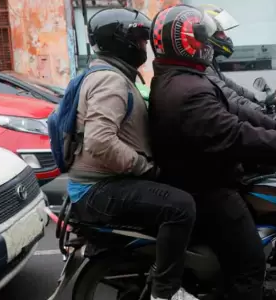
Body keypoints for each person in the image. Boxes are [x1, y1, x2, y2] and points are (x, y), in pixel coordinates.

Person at [148, 5, 276, 300]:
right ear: (190, 41)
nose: (208, 42)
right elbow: (237, 135)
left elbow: (238, 109)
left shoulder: (184, 78)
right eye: (204, 36)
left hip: (202, 173)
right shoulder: (188, 91)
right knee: (249, 265)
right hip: (207, 187)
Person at [67, 8, 198, 300]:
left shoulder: (113, 74)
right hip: (98, 188)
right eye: (139, 40)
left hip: (100, 182)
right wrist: (144, 167)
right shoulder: (109, 81)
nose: (143, 47)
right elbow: (99, 141)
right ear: (119, 41)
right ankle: (165, 293)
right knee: (181, 206)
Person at [197, 4, 262, 111]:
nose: (226, 37)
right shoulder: (202, 67)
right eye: (221, 33)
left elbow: (229, 84)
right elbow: (228, 96)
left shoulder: (209, 61)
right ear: (208, 34)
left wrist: (255, 98)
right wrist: (258, 110)